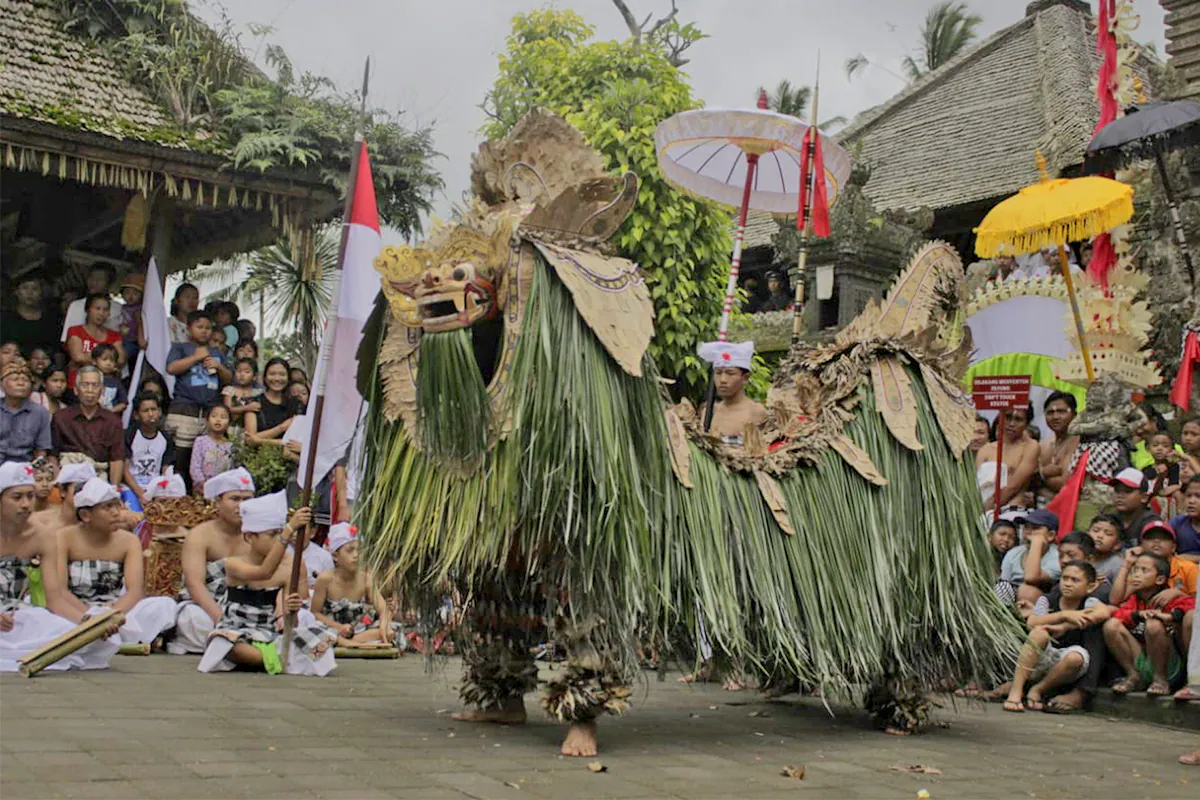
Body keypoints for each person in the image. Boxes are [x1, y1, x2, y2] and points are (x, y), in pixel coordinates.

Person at [197, 492, 335, 675]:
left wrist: (291, 609)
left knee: (317, 641)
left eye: (279, 533)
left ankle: (269, 657)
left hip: (270, 631)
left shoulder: (288, 566)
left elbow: (290, 621)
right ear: (250, 537)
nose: (279, 540)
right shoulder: (234, 564)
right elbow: (264, 572)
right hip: (237, 628)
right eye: (272, 535)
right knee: (225, 643)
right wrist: (288, 530)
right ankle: (270, 659)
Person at [0, 462, 118, 673]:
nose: (26, 504)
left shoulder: (42, 536)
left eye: (30, 496)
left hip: (18, 617)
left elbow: (54, 598)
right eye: (17, 497)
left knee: (88, 639)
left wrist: (87, 623)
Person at [59, 478, 177, 645]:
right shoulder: (63, 538)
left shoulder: (129, 541)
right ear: (85, 515)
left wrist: (110, 616)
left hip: (116, 611)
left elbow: (134, 590)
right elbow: (60, 591)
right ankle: (106, 637)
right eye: (107, 507)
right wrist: (88, 617)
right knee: (46, 618)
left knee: (164, 605)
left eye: (117, 505)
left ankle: (106, 636)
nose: (116, 512)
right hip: (77, 612)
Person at [166, 468, 255, 655]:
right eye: (235, 499)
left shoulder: (259, 535)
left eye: (247, 499)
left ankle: (238, 645)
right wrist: (221, 618)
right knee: (193, 619)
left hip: (246, 606)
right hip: (205, 607)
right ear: (217, 502)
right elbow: (194, 584)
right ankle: (237, 646)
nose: (242, 505)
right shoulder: (200, 534)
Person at [1002, 560, 1110, 713]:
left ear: (1090, 587)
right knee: (1039, 633)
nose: (1068, 584)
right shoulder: (1046, 599)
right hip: (1042, 657)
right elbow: (1032, 622)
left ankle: (1039, 689)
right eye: (1065, 578)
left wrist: (1065, 625)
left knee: (1076, 657)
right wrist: (1064, 615)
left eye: (1075, 580)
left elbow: (1103, 612)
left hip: (1065, 663)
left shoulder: (1089, 602)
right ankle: (1016, 691)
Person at [1103, 552, 1195, 695]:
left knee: (1153, 624)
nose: (1137, 575)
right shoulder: (1135, 599)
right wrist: (1138, 615)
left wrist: (1170, 616)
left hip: (1170, 665)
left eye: (1144, 570)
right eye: (1135, 570)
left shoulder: (1166, 597)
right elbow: (1119, 613)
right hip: (1144, 660)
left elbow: (1191, 606)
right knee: (1111, 625)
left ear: (1159, 579)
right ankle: (1134, 676)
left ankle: (1161, 680)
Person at [165, 310, 231, 487]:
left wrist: (219, 366)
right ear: (189, 329)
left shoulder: (217, 352)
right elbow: (171, 368)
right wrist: (195, 357)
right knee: (181, 458)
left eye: (208, 328)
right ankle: (179, 496)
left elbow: (229, 379)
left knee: (207, 459)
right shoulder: (180, 347)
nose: (204, 331)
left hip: (210, 413)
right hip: (185, 410)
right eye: (199, 327)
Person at [311, 523, 395, 647]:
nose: (356, 555)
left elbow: (383, 609)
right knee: (312, 631)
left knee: (390, 631)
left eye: (359, 550)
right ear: (335, 556)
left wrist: (384, 625)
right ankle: (349, 642)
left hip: (358, 628)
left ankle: (350, 642)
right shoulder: (325, 579)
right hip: (332, 627)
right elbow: (315, 613)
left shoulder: (366, 577)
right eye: (349, 551)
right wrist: (339, 627)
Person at [51, 367, 126, 488]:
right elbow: (53, 454)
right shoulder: (61, 417)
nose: (90, 390)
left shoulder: (113, 421)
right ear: (76, 390)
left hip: (98, 479)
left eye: (95, 385)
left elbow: (116, 459)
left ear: (102, 390)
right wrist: (57, 481)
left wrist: (114, 490)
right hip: (67, 478)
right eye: (85, 385)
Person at [1110, 519, 1199, 605]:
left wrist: (1178, 593)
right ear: (1141, 545)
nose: (1157, 541)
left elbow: (1197, 606)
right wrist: (1127, 564)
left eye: (1164, 538)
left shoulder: (1188, 568)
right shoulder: (1136, 567)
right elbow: (1115, 600)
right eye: (1150, 538)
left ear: (1173, 547)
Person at [695, 341, 768, 445]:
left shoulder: (756, 412)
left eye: (730, 373)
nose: (723, 379)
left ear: (745, 378)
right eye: (718, 373)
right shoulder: (708, 412)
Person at [975, 404, 1039, 509]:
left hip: (1012, 509)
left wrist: (988, 508)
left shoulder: (1030, 447)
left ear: (1026, 424)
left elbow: (1014, 486)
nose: (1011, 424)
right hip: (981, 508)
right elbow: (976, 484)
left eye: (1018, 419)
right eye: (1008, 417)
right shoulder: (986, 449)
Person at [999, 509, 1061, 607]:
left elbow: (1031, 578)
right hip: (1012, 602)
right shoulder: (1013, 553)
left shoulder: (1057, 557)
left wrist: (1036, 543)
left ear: (1050, 535)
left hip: (1043, 604)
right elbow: (1004, 583)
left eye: (1035, 528)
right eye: (1026, 527)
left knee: (1027, 591)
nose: (1028, 532)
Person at [123, 393, 175, 508]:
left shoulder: (166, 439)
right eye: (145, 411)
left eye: (154, 409)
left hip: (156, 488)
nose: (151, 414)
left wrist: (161, 492)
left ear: (160, 412)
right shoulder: (129, 435)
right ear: (136, 415)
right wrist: (141, 494)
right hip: (132, 487)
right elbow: (125, 470)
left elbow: (166, 471)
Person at [65, 294, 124, 389]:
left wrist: (87, 358)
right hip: (77, 387)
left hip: (106, 390)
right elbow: (78, 357)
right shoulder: (75, 331)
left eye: (105, 310)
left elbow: (120, 360)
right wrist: (107, 359)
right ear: (87, 310)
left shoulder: (114, 335)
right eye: (97, 308)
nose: (101, 313)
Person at [0, 359, 52, 463]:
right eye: (15, 380)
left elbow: (41, 450)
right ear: (2, 385)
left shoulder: (40, 412)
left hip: (25, 469)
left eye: (25, 380)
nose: (20, 383)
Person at [60, 265, 123, 343]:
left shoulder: (118, 308)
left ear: (109, 284)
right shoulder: (76, 305)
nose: (94, 282)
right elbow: (66, 338)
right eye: (91, 278)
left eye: (100, 279)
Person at [245, 358, 301, 446]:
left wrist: (259, 440)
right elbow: (249, 439)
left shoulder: (297, 404)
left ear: (288, 378)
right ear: (265, 378)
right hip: (259, 457)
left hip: (289, 458)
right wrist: (281, 428)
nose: (277, 378)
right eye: (272, 374)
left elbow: (298, 442)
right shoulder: (253, 402)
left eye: (282, 374)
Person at [2, 275, 61, 357]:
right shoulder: (5, 318)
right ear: (16, 292)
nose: (29, 293)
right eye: (25, 288)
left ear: (40, 293)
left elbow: (57, 349)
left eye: (35, 289)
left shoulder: (50, 319)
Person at [1037, 392, 1079, 505]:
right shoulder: (1046, 444)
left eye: (1061, 411)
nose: (1055, 417)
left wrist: (1039, 477)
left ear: (1074, 414)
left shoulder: (1077, 441)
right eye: (1050, 412)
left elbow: (1064, 484)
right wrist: (1041, 474)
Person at [1108, 467, 1160, 547]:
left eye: (1127, 491)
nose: (1120, 496)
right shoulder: (1110, 518)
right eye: (1117, 490)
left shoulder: (1152, 524)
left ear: (1144, 497)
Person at [189, 405, 234, 497]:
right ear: (207, 420)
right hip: (202, 489)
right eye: (214, 416)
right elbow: (195, 466)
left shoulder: (231, 446)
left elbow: (233, 469)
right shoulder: (200, 441)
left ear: (229, 423)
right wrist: (203, 484)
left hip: (223, 490)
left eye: (223, 417)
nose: (218, 420)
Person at [222, 358, 262, 428]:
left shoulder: (258, 393)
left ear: (255, 377)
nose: (242, 374)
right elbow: (227, 410)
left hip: (250, 430)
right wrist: (247, 408)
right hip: (230, 428)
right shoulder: (229, 390)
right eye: (239, 371)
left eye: (247, 372)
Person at [1086, 513, 1125, 585]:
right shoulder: (1080, 555)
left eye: (1108, 534)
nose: (1100, 536)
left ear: (1117, 544)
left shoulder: (1117, 564)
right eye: (1096, 530)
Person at [117, 273, 145, 370]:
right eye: (127, 293)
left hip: (133, 341)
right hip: (120, 339)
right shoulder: (120, 308)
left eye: (135, 294)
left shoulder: (141, 309)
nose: (131, 296)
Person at [90, 344, 127, 416]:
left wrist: (111, 411)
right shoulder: (89, 378)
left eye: (112, 360)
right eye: (104, 359)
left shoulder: (116, 382)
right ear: (94, 361)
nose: (108, 363)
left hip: (111, 420)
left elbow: (123, 403)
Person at [1170, 476, 1200, 563]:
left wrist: (1191, 558)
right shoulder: (1178, 523)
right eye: (1188, 496)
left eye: (1198, 496)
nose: (1191, 501)